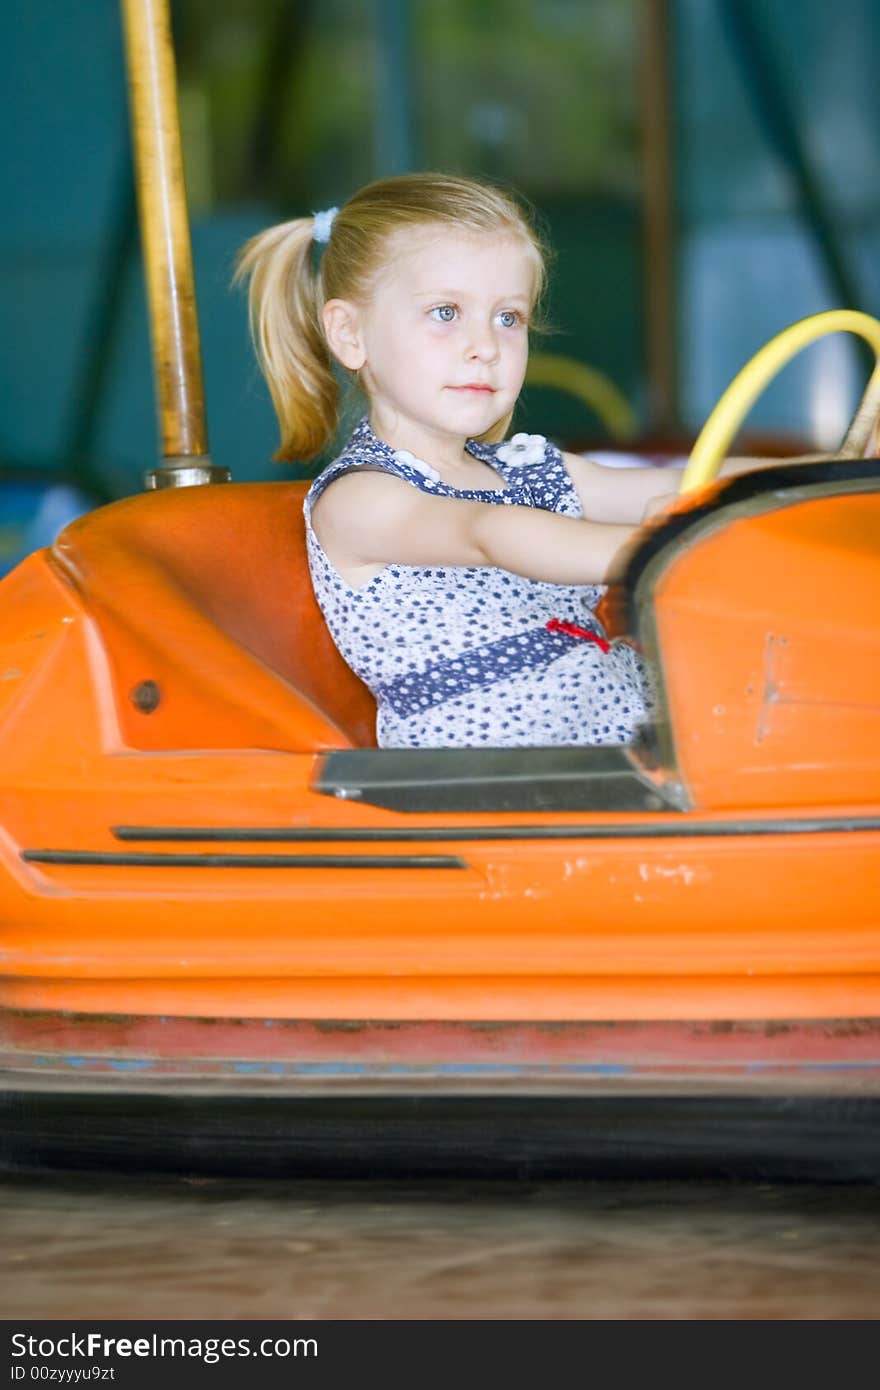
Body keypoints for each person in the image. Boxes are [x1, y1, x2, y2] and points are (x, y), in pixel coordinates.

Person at [234, 173, 687, 748]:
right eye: (446, 312)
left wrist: (813, 477)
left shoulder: (528, 470)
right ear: (350, 334)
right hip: (490, 786)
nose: (486, 345)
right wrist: (657, 545)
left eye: (508, 318)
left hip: (622, 747)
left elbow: (680, 479)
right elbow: (488, 534)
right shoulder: (360, 498)